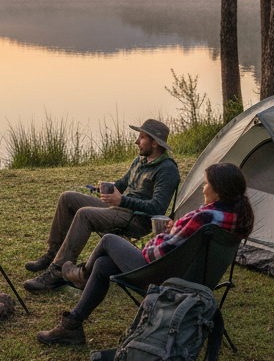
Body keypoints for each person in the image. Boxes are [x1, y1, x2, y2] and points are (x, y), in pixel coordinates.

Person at [35, 161, 254, 345]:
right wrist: (175, 229)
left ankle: (81, 275)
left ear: (219, 189)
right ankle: (72, 325)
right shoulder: (237, 216)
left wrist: (156, 239)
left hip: (166, 280)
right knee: (103, 265)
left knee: (110, 240)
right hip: (196, 279)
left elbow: (155, 254)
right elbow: (185, 243)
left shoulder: (203, 218)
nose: (203, 188)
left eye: (206, 184)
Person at [23, 119, 180, 293]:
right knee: (67, 198)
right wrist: (106, 188)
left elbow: (157, 207)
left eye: (142, 137)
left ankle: (56, 274)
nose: (136, 141)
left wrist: (122, 201)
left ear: (155, 143)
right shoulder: (140, 161)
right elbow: (122, 183)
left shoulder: (167, 169)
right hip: (120, 210)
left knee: (85, 214)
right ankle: (52, 255)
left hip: (137, 220)